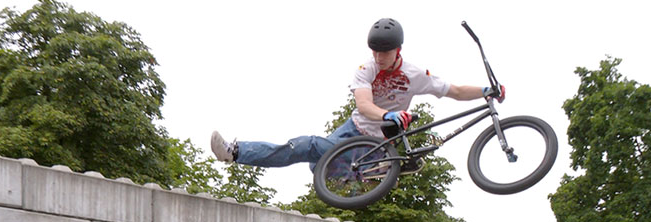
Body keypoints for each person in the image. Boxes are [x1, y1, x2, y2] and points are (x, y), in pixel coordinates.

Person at [210, 18, 501, 169]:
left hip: (377, 140)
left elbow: (456, 90)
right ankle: (372, 170)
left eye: (384, 52)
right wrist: (388, 113)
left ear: (398, 50)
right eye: (375, 51)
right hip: (353, 130)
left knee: (307, 145)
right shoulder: (366, 68)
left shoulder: (415, 75)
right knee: (314, 166)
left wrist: (487, 90)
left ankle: (236, 152)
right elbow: (363, 105)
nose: (379, 56)